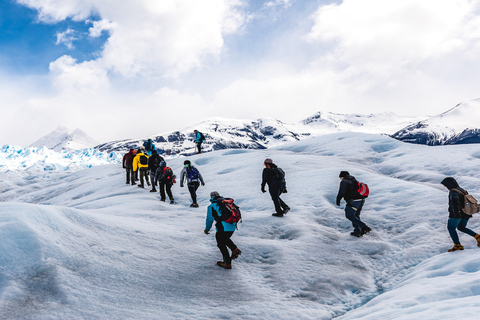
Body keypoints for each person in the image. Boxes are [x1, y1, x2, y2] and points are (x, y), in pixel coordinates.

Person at [441, 177, 480, 252]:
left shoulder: (453, 191)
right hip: (466, 213)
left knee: (451, 228)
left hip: (457, 214)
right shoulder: (462, 190)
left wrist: (456, 214)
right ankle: (478, 237)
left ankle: (457, 245)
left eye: (445, 185)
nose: (445, 186)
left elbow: (455, 202)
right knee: (461, 227)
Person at [204, 191, 241, 269]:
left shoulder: (212, 206)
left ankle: (227, 262)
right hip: (232, 226)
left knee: (221, 244)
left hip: (222, 227)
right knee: (225, 240)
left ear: (211, 197)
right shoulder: (227, 203)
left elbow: (209, 219)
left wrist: (207, 229)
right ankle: (234, 250)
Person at [336, 171, 371, 237]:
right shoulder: (354, 180)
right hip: (361, 200)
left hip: (354, 201)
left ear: (342, 176)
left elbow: (342, 191)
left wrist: (338, 199)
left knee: (349, 215)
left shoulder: (344, 181)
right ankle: (357, 232)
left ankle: (364, 227)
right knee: (356, 215)